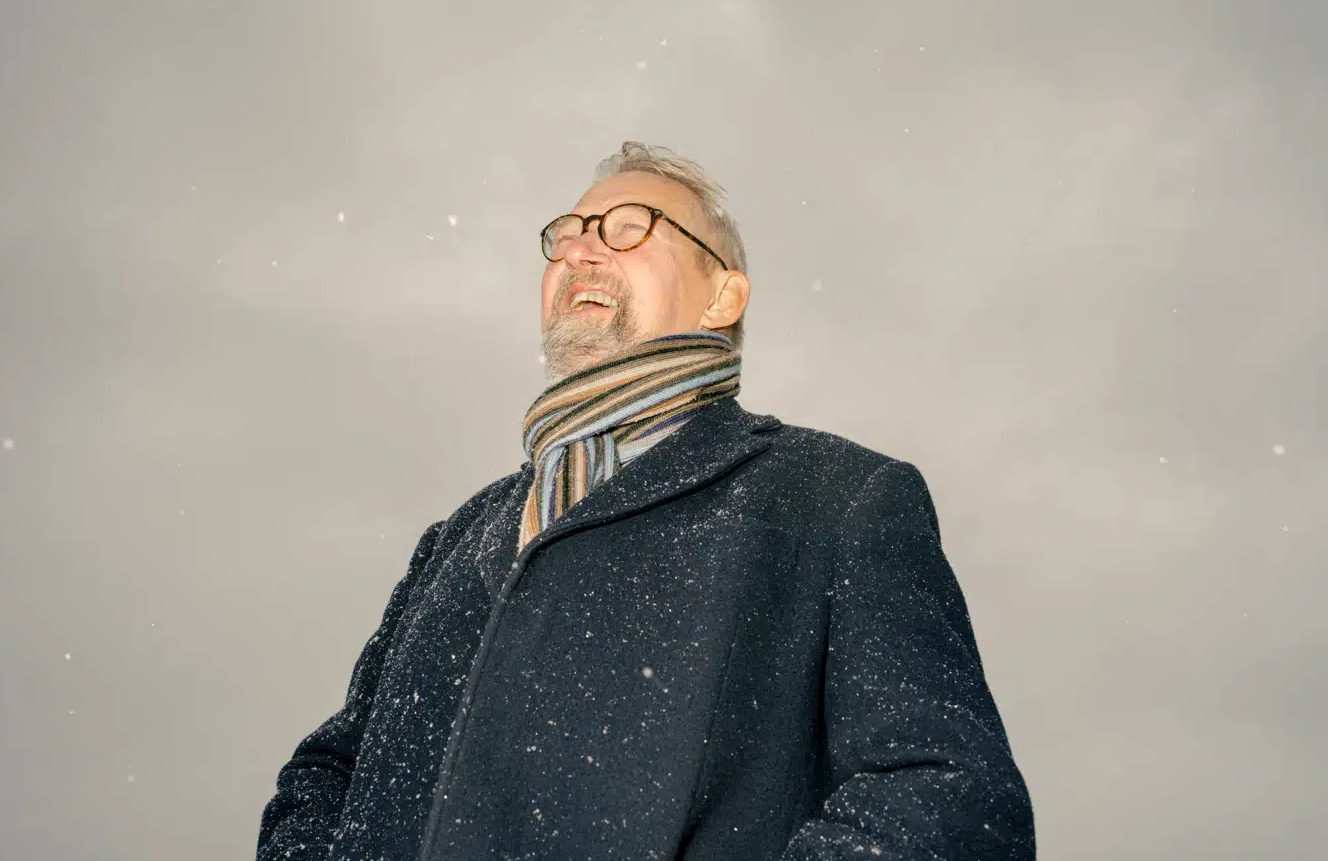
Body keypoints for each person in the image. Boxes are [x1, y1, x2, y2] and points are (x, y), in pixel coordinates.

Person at [256, 142, 1035, 860]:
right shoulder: (456, 537)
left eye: (630, 227)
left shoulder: (835, 497)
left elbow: (948, 799)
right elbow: (326, 776)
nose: (580, 249)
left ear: (722, 296)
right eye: (566, 234)